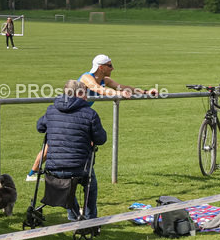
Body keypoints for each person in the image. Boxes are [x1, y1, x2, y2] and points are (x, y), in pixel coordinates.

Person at [26, 53, 157, 181]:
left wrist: (145, 92)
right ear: (101, 67)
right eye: (110, 65)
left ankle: (83, 173)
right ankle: (32, 173)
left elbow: (124, 87)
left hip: (81, 114)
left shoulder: (105, 80)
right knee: (51, 146)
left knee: (86, 144)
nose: (113, 68)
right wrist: (119, 93)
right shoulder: (87, 78)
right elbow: (100, 90)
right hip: (68, 112)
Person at [36, 79, 107, 222]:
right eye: (85, 93)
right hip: (79, 168)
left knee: (67, 184)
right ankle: (89, 218)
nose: (87, 97)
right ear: (79, 93)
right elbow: (101, 139)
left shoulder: (51, 110)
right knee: (90, 185)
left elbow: (40, 127)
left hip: (53, 167)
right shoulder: (89, 113)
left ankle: (73, 215)